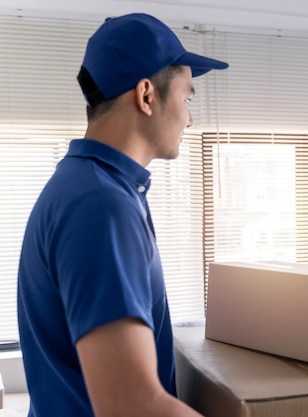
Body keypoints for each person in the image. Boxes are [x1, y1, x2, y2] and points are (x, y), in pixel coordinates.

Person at [17, 13, 228, 417]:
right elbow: (131, 404)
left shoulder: (94, 186)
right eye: (187, 98)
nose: (190, 117)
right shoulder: (101, 205)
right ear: (147, 95)